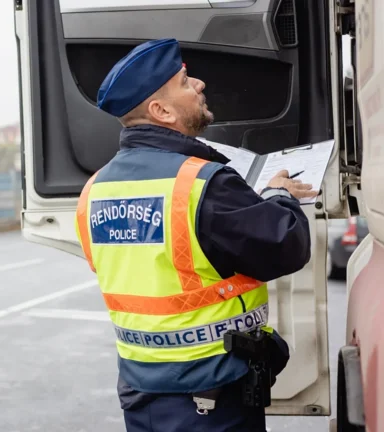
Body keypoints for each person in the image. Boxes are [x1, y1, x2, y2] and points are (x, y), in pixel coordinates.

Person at [74, 38, 318, 431]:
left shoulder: (94, 189)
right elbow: (286, 245)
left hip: (142, 395)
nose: (199, 84)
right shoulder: (202, 183)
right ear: (162, 111)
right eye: (185, 82)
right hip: (210, 396)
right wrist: (278, 196)